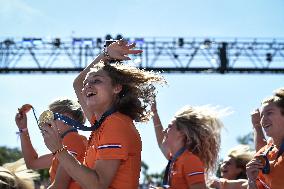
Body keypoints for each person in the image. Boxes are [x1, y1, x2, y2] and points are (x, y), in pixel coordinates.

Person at [41, 39, 166, 189]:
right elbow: (78, 83)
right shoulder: (101, 122)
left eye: (97, 81)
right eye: (87, 83)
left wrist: (59, 150)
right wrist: (105, 54)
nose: (88, 85)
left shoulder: (115, 124)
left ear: (116, 88)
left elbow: (99, 184)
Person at [15, 98, 87, 189]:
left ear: (66, 118)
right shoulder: (66, 147)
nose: (46, 123)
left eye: (50, 117)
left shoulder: (72, 139)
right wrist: (23, 128)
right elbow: (32, 163)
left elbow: (59, 186)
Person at [151, 99, 224, 189]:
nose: (164, 130)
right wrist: (154, 112)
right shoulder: (175, 160)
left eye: (169, 126)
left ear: (182, 133)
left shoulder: (191, 161)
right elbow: (161, 142)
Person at [246, 87, 284, 189]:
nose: (263, 120)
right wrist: (251, 181)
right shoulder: (264, 153)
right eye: (261, 116)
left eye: (269, 113)